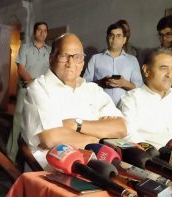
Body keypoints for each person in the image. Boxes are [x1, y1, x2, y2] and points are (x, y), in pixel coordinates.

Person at [22, 33, 127, 169]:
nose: (70, 63)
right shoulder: (38, 87)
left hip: (98, 166)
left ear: (83, 62)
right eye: (63, 56)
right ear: (51, 58)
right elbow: (51, 138)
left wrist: (75, 124)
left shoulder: (92, 90)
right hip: (54, 172)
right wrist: (98, 139)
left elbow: (120, 128)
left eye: (77, 57)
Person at [119, 49, 172, 149]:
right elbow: (128, 136)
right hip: (152, 159)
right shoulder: (131, 99)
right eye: (164, 68)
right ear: (146, 70)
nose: (169, 74)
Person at [6, 22, 51, 162]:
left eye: (44, 31)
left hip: (42, 93)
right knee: (18, 122)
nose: (42, 33)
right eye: (39, 30)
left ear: (47, 33)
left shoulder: (50, 51)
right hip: (25, 90)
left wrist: (36, 83)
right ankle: (11, 156)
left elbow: (51, 71)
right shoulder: (25, 48)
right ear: (34, 32)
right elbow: (21, 68)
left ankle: (33, 158)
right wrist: (31, 81)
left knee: (38, 123)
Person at [83, 22, 143, 106]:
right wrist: (101, 83)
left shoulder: (132, 60)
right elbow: (84, 85)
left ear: (124, 40)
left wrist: (124, 83)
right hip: (100, 107)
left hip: (126, 107)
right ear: (107, 38)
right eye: (111, 36)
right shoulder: (95, 58)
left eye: (118, 36)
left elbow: (139, 88)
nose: (114, 39)